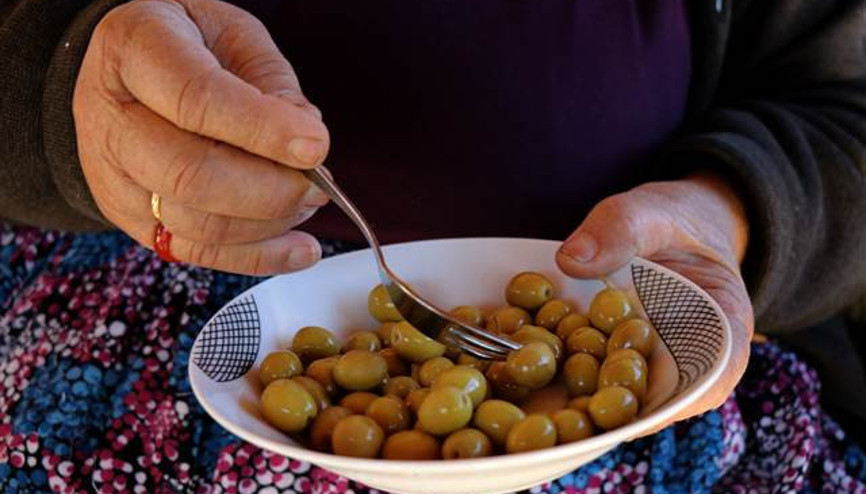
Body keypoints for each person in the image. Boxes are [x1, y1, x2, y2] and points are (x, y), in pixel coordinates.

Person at [0, 0, 864, 491]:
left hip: (669, 335)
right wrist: (65, 83)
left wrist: (734, 210)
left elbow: (846, 108)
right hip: (138, 335)